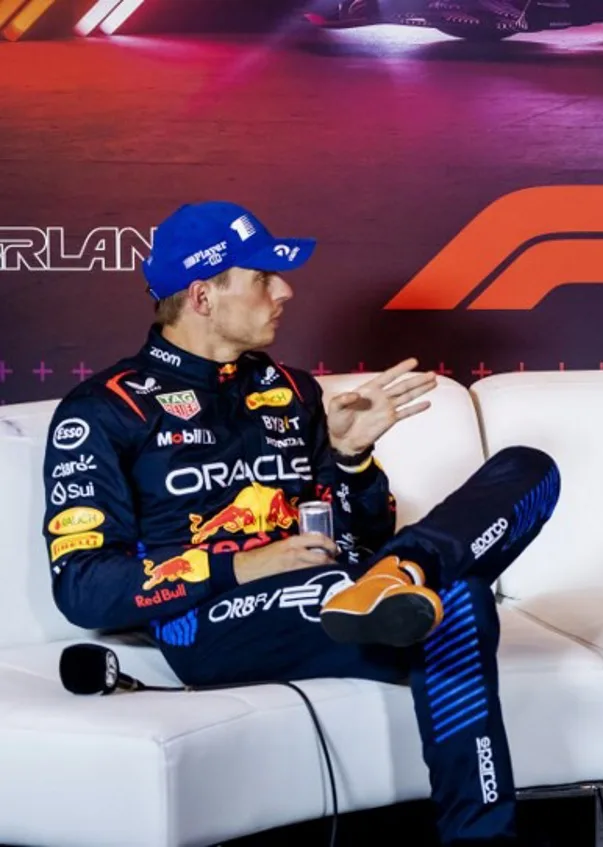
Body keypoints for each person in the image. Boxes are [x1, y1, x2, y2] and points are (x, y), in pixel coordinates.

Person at [41, 201, 560, 846]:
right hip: (210, 619)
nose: (284, 290)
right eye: (262, 277)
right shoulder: (102, 411)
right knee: (454, 602)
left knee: (529, 470)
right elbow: (84, 588)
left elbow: (357, 536)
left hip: (345, 589)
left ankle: (405, 572)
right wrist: (241, 564)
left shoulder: (293, 391)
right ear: (203, 297)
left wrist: (351, 458)